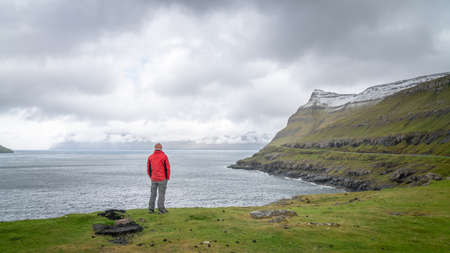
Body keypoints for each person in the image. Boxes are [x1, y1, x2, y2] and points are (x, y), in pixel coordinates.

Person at [147, 143, 171, 214]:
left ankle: (151, 209)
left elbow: (149, 169)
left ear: (154, 148)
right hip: (162, 178)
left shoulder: (150, 157)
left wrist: (151, 177)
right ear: (161, 148)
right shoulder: (164, 156)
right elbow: (167, 168)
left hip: (153, 178)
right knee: (161, 194)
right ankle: (161, 209)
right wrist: (167, 178)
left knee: (153, 194)